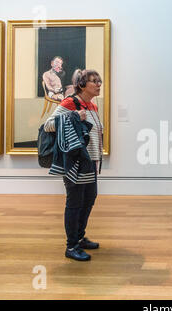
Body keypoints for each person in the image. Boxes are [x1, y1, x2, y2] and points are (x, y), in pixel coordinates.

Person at [44, 69, 104, 261]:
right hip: (76, 161)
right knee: (75, 202)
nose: (98, 84)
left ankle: (79, 237)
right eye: (94, 81)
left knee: (89, 198)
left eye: (99, 81)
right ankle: (71, 246)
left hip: (90, 161)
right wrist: (75, 116)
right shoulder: (71, 103)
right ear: (82, 85)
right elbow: (48, 124)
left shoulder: (93, 106)